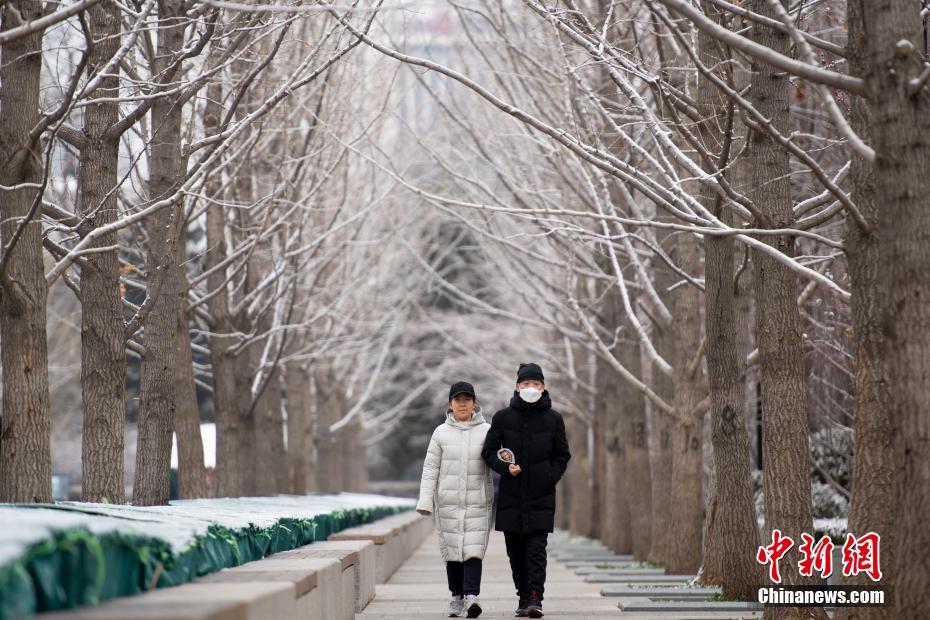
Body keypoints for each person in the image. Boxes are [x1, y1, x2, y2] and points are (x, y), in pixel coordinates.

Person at [481, 363, 571, 618]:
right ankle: (522, 594)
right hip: (511, 496)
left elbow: (562, 454)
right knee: (516, 551)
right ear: (517, 386)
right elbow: (488, 452)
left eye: (536, 384)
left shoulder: (554, 419)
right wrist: (504, 468)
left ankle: (535, 597)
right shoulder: (502, 418)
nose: (531, 388)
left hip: (541, 495)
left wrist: (550, 476)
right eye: (526, 384)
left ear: (543, 388)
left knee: (536, 549)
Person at [417, 381, 494, 618]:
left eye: (467, 400)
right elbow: (430, 468)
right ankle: (456, 597)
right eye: (458, 400)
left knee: (473, 549)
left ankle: (472, 597)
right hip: (448, 501)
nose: (462, 404)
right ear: (450, 404)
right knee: (452, 551)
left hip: (477, 501)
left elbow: (498, 459)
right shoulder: (440, 433)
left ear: (474, 403)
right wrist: (425, 501)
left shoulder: (487, 430)